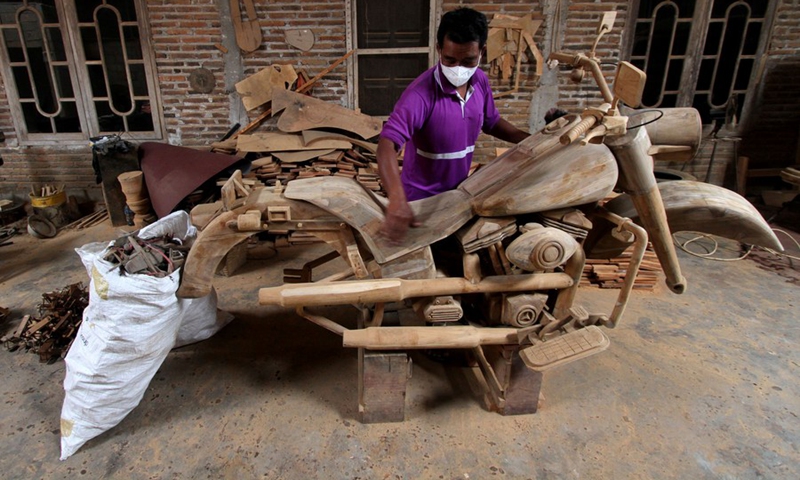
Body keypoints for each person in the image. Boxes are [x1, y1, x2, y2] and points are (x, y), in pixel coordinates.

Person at [377, 7, 530, 244]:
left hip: (458, 197)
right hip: (421, 203)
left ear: (482, 52)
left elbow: (492, 122)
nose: (458, 68)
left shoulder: (479, 81)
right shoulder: (420, 95)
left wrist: (530, 140)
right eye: (449, 59)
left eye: (468, 60)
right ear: (439, 49)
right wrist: (397, 200)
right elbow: (387, 144)